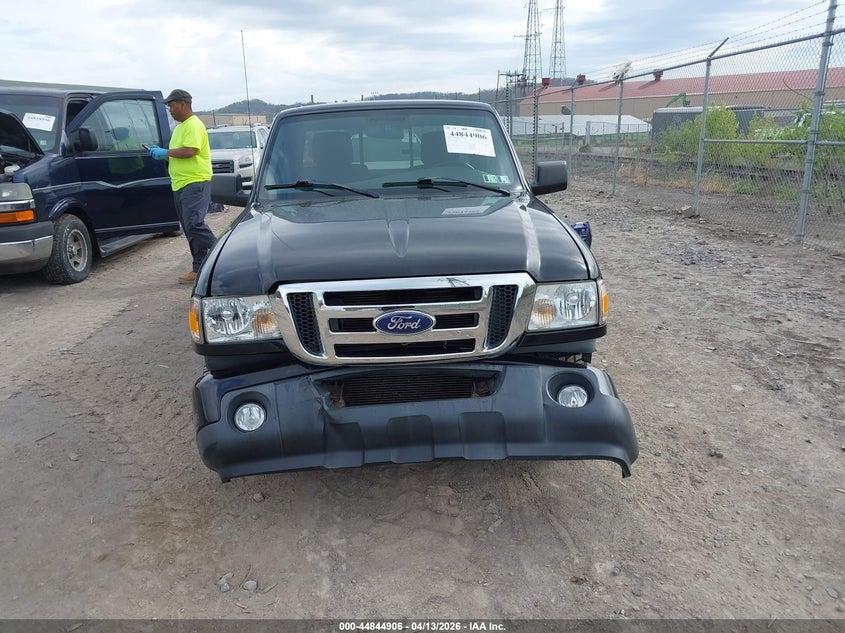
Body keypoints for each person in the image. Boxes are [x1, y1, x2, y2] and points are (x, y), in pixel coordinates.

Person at [148, 89, 215, 285]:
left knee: (194, 224)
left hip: (195, 181)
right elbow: (178, 151)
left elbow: (190, 151)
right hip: (180, 183)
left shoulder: (194, 125)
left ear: (183, 104)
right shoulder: (180, 128)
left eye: (171, 104)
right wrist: (163, 153)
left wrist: (165, 152)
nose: (169, 109)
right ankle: (198, 268)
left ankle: (224, 252)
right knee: (189, 227)